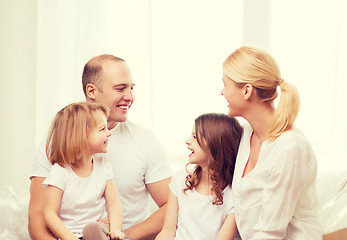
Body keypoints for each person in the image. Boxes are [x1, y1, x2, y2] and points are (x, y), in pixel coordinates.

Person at [28, 55, 172, 240]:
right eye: (120, 88)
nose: (130, 97)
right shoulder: (55, 145)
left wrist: (123, 236)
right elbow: (38, 220)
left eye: (132, 88)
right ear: (92, 91)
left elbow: (172, 205)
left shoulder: (146, 142)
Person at [221, 45, 323, 239]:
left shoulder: (290, 147)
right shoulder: (247, 133)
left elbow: (271, 233)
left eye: (225, 84)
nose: (221, 91)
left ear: (246, 91)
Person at [43, 102, 124, 240]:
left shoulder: (103, 164)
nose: (109, 133)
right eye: (102, 129)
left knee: (92, 229)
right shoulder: (60, 171)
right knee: (91, 229)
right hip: (72, 235)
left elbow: (114, 203)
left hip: (99, 231)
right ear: (81, 136)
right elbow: (50, 213)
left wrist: (115, 231)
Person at [155, 113, 243, 240]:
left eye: (195, 137)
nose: (187, 140)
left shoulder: (234, 195)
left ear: (215, 145)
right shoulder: (180, 179)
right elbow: (167, 231)